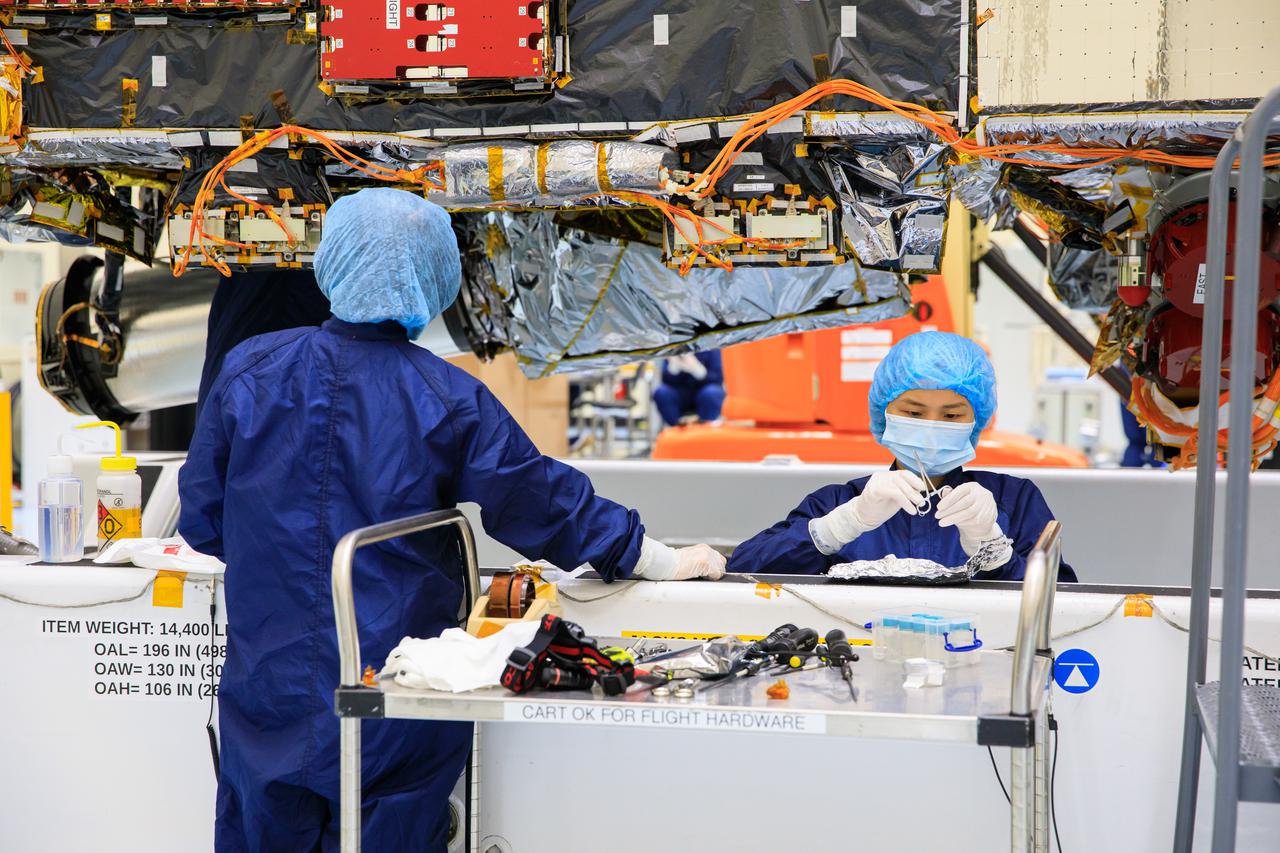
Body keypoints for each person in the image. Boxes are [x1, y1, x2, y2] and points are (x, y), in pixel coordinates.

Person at [179, 187, 726, 853]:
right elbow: (542, 503)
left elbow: (202, 521)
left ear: (332, 262)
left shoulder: (248, 372)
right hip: (392, 700)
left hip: (266, 696)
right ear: (433, 277)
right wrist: (660, 559)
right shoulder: (444, 395)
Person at [727, 331, 1075, 581]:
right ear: (884, 411)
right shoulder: (839, 502)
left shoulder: (1015, 502)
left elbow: (1064, 606)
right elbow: (743, 569)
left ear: (976, 421)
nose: (931, 426)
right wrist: (840, 526)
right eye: (913, 412)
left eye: (952, 416)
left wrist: (995, 549)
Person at [653, 351, 725, 426]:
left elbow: (718, 377)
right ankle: (677, 428)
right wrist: (674, 367)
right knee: (662, 392)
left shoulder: (711, 348)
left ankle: (706, 428)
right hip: (680, 393)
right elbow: (665, 379)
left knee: (711, 392)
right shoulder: (674, 349)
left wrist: (698, 370)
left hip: (704, 391)